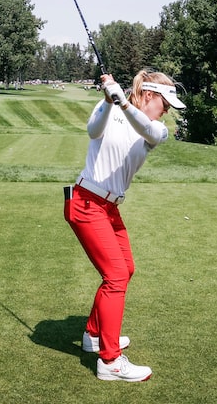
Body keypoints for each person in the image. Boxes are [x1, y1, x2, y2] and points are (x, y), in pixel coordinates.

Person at [65, 68, 185, 383]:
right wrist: (108, 100)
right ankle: (110, 361)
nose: (168, 110)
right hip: (87, 202)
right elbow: (93, 131)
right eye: (165, 102)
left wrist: (124, 104)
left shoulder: (156, 129)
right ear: (149, 95)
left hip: (109, 207)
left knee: (125, 268)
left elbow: (145, 127)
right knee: (115, 275)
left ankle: (94, 335)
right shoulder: (110, 109)